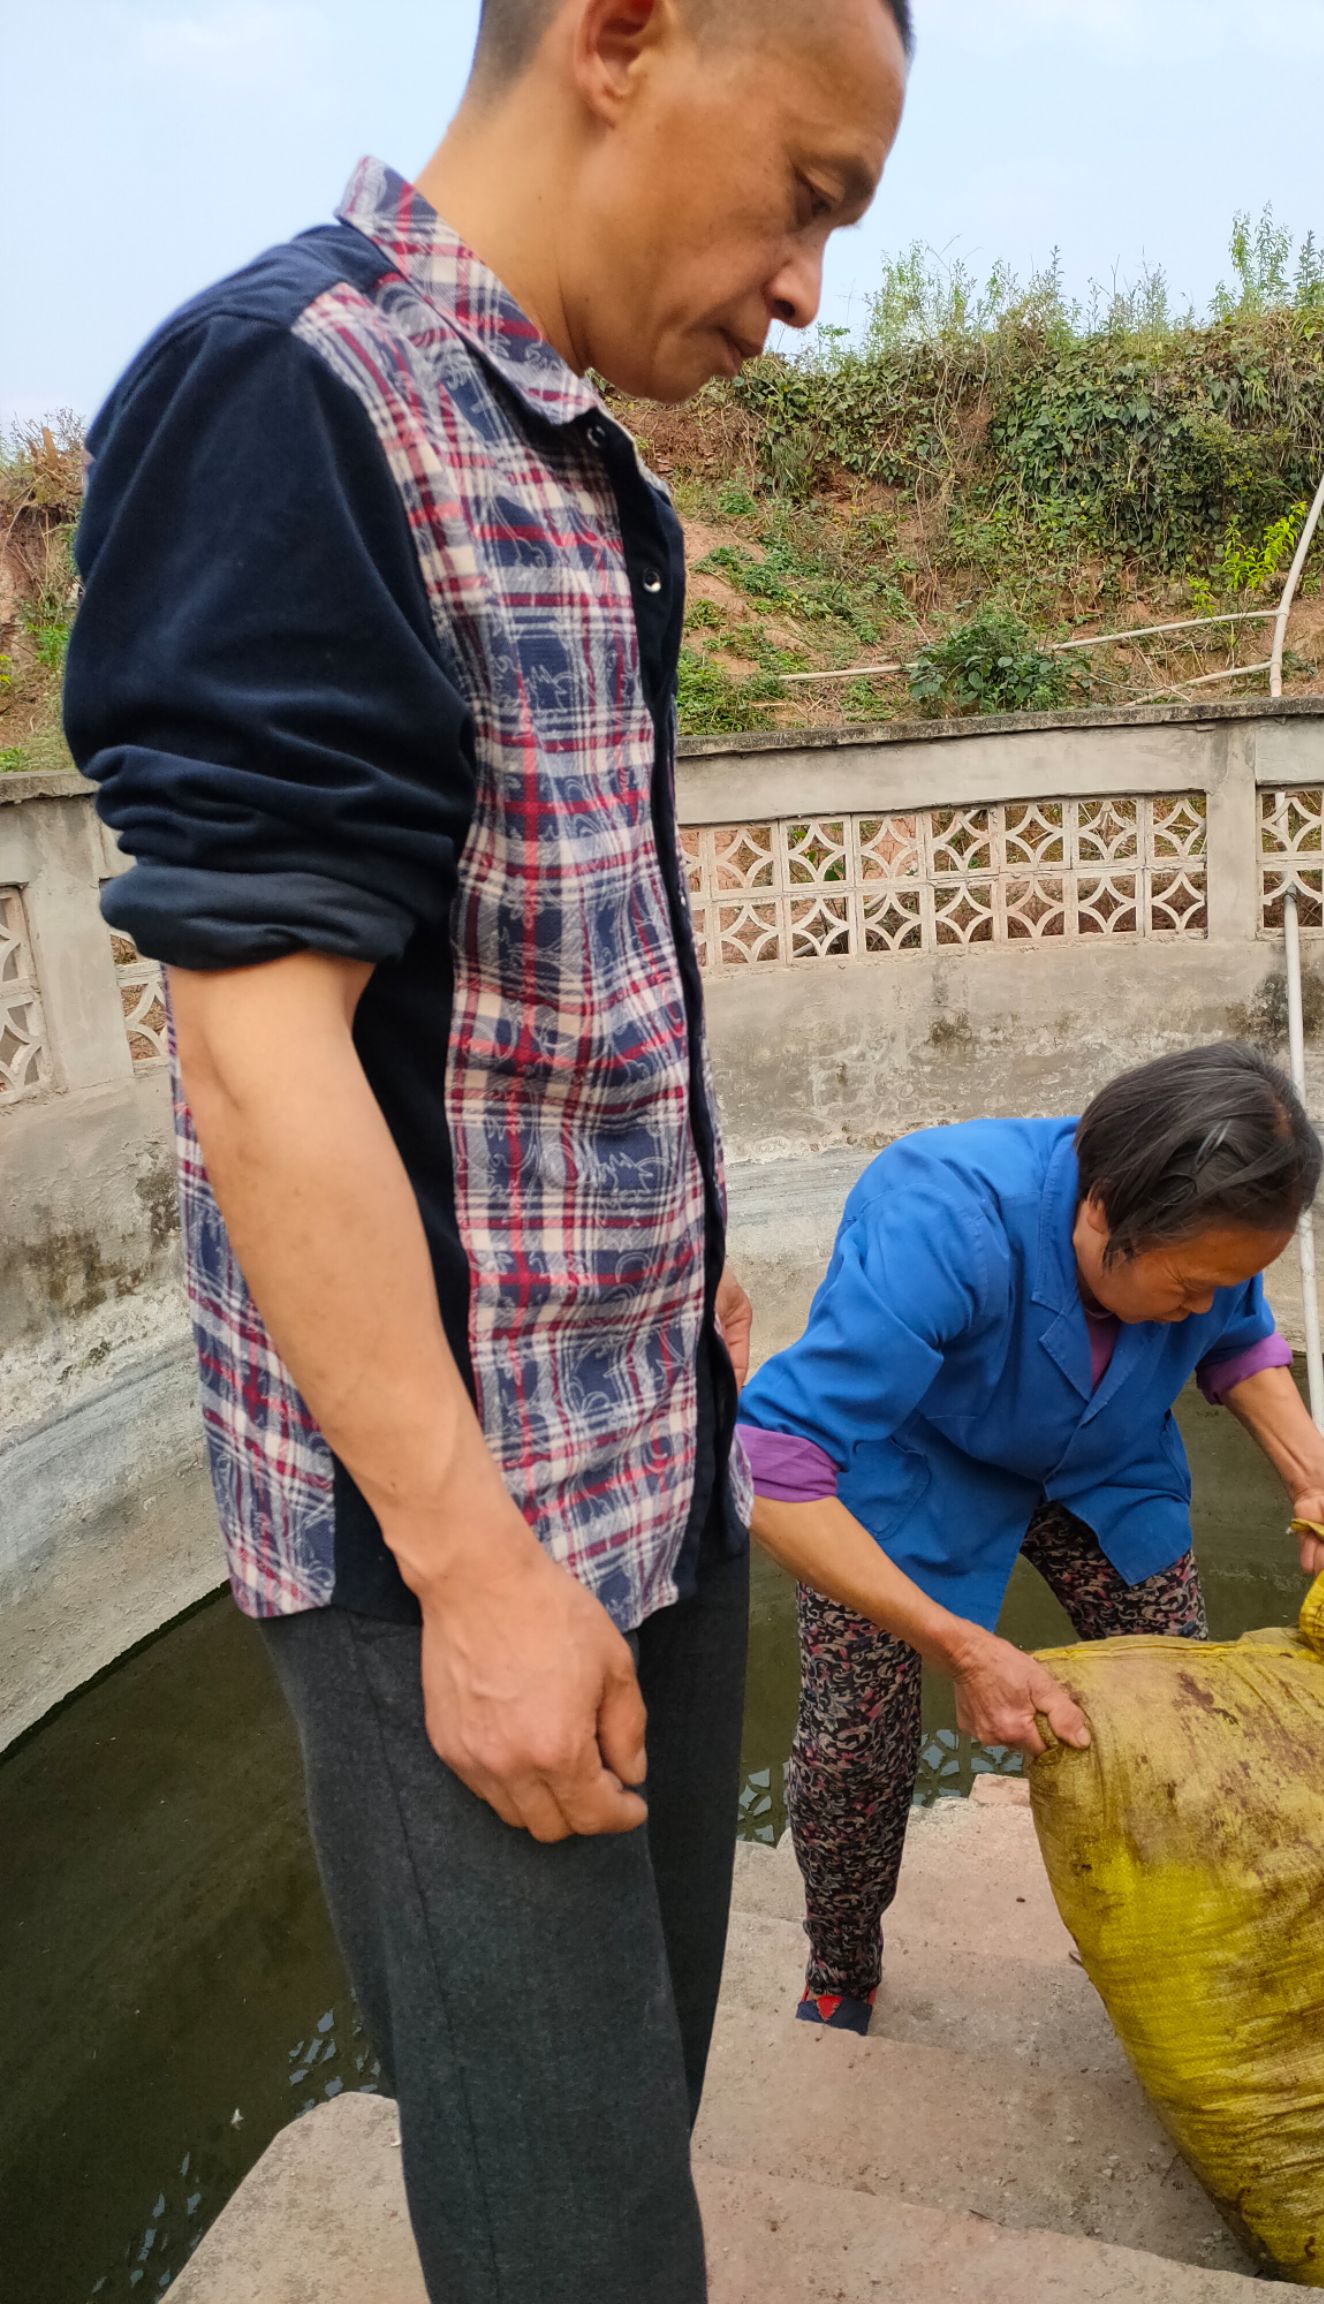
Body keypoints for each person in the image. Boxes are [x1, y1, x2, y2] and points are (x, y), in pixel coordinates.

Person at [63, 3, 909, 2299]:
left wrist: (678, 1269)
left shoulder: (555, 451)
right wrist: (468, 1577)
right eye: (809, 192)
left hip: (650, 1453)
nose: (807, 283)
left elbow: (519, 977)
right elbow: (256, 1051)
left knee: (637, 2121)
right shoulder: (297, 399)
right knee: (574, 2240)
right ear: (624, 37)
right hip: (468, 1542)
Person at [740, 1045, 1324, 2034]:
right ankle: (842, 1962)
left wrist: (1322, 1480)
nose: (1210, 1304)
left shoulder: (1202, 1248)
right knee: (854, 1753)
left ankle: (1181, 1944)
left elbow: (1237, 1336)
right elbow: (772, 1466)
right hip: (921, 1464)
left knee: (1182, 1709)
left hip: (1106, 1456)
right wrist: (962, 1644)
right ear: (1103, 1217)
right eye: (1189, 1286)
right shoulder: (940, 1218)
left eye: (1234, 1279)